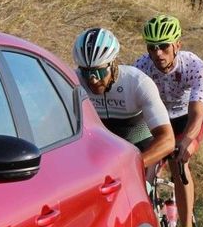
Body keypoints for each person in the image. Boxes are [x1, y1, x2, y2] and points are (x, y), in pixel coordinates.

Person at [134, 15, 203, 227]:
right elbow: (135, 114)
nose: (158, 53)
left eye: (164, 46)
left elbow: (198, 112)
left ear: (177, 44)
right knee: (142, 170)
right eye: (151, 47)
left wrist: (187, 140)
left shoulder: (195, 67)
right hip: (156, 122)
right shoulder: (140, 68)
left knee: (180, 163)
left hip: (185, 119)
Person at [73, 27, 175, 170]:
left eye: (100, 71)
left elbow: (168, 140)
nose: (93, 80)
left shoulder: (137, 82)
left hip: (139, 146)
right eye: (86, 72)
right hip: (97, 149)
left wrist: (132, 168)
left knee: (137, 186)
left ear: (113, 63)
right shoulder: (73, 81)